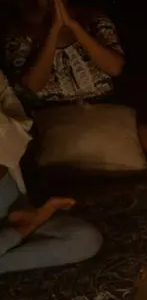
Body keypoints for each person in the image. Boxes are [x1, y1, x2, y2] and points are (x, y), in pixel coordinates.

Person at [3, 0, 147, 156]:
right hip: (53, 114)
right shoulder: (19, 32)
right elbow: (33, 85)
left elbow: (115, 67)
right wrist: (54, 30)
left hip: (104, 105)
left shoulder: (92, 18)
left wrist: (74, 27)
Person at [0, 69, 102, 274]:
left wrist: (22, 215)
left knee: (85, 240)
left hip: (13, 223)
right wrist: (35, 220)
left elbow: (15, 120)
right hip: (18, 228)